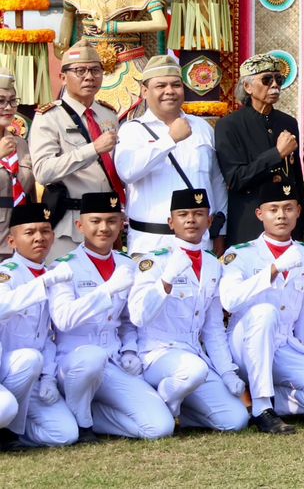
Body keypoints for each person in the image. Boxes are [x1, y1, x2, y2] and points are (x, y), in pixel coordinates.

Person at [218, 179, 304, 434]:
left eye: (288, 208)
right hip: (244, 345)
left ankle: (274, 400)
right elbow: (229, 300)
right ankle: (262, 408)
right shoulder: (240, 253)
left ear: (298, 211)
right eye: (273, 209)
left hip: (285, 344)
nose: (281, 215)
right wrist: (273, 270)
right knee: (265, 312)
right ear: (260, 214)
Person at [48, 191, 174, 442]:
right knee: (91, 358)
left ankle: (91, 416)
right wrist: (106, 290)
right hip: (74, 364)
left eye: (111, 221)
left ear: (122, 224)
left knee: (160, 427)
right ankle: (81, 422)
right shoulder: (63, 266)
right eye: (95, 221)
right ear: (80, 225)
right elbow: (63, 319)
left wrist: (129, 349)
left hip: (113, 361)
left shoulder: (127, 264)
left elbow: (128, 320)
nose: (104, 228)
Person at [127, 189, 249, 433]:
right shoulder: (154, 261)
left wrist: (227, 371)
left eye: (198, 214)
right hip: (157, 354)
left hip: (194, 355)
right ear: (171, 222)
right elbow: (138, 316)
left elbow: (213, 328)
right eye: (183, 214)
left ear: (209, 221)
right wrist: (167, 279)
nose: (191, 220)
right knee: (194, 371)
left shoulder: (213, 263)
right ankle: (163, 397)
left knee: (235, 420)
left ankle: (184, 408)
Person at [115, 54, 229, 254]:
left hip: (199, 242)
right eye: (160, 86)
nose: (169, 91)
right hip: (151, 242)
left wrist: (220, 232)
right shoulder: (132, 130)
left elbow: (216, 182)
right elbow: (127, 172)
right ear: (144, 91)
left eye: (176, 85)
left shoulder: (201, 127)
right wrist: (170, 140)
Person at [27, 40, 120, 260]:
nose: (89, 77)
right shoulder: (49, 117)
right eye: (80, 71)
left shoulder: (108, 114)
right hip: (69, 222)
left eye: (95, 70)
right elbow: (42, 171)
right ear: (62, 77)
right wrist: (92, 149)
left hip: (106, 222)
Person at [0, 202, 80, 448]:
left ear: (53, 237)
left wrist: (48, 377)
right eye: (30, 232)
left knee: (65, 434)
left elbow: (48, 337)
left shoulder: (54, 274)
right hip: (7, 370)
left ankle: (18, 433)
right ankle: (8, 433)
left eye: (45, 231)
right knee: (28, 359)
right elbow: (3, 306)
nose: (39, 238)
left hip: (34, 375)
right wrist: (43, 283)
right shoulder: (7, 273)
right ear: (12, 241)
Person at [215, 54, 304, 247]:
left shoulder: (287, 122)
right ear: (248, 87)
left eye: (278, 80)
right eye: (266, 80)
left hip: (287, 224)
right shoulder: (229, 125)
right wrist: (276, 154)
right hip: (251, 221)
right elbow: (235, 179)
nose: (275, 85)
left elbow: (295, 175)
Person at [0, 68, 33, 247]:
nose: (8, 107)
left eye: (13, 101)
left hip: (21, 241)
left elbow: (31, 193)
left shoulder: (20, 143)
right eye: (1, 101)